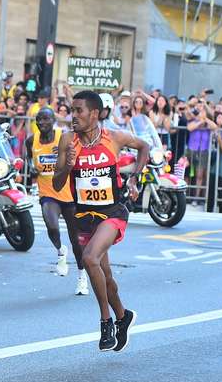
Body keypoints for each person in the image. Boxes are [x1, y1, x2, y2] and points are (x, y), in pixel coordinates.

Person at [53, 90, 147, 352]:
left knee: (90, 258)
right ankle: (123, 316)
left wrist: (134, 177)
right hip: (85, 216)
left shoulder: (113, 138)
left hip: (112, 212)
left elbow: (143, 147)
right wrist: (67, 167)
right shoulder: (67, 141)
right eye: (71, 111)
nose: (73, 116)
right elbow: (58, 183)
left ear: (94, 114)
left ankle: (105, 323)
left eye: (78, 111)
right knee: (104, 277)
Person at [26, 108, 90, 295]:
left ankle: (81, 277)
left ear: (53, 120)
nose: (42, 122)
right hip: (48, 191)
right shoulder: (31, 140)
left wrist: (63, 152)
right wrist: (32, 170)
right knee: (52, 227)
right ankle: (61, 251)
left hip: (69, 193)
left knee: (76, 240)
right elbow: (30, 161)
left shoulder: (64, 137)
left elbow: (78, 157)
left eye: (46, 119)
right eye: (39, 119)